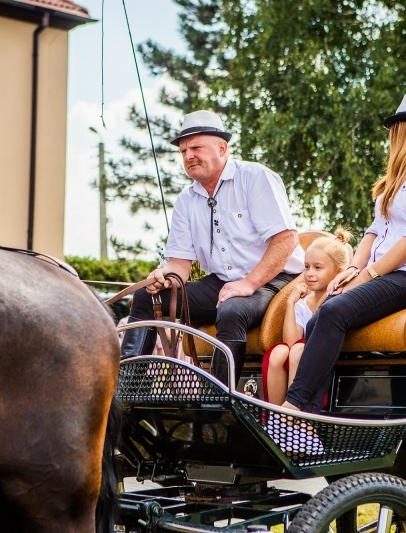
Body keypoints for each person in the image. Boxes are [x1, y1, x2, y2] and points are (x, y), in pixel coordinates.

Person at [283, 92, 406, 414]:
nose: (391, 137)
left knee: (333, 312)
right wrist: (353, 268)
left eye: (395, 129)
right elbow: (374, 231)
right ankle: (323, 413)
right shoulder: (399, 177)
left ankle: (296, 407)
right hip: (386, 271)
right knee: (318, 318)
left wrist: (368, 275)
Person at [119, 110, 304, 387]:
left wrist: (249, 283)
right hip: (223, 282)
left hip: (276, 279)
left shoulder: (255, 178)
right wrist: (163, 276)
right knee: (147, 297)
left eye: (196, 147)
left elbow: (285, 241)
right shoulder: (186, 200)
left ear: (222, 148)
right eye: (183, 151)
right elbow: (179, 264)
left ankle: (216, 397)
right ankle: (127, 388)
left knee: (230, 310)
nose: (188, 156)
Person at [262, 229, 353, 405]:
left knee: (299, 350)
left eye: (317, 268)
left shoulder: (339, 302)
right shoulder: (303, 303)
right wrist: (291, 303)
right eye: (306, 267)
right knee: (280, 351)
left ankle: (296, 416)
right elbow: (291, 342)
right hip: (297, 357)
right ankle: (276, 417)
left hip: (317, 366)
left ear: (338, 272)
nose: (309, 273)